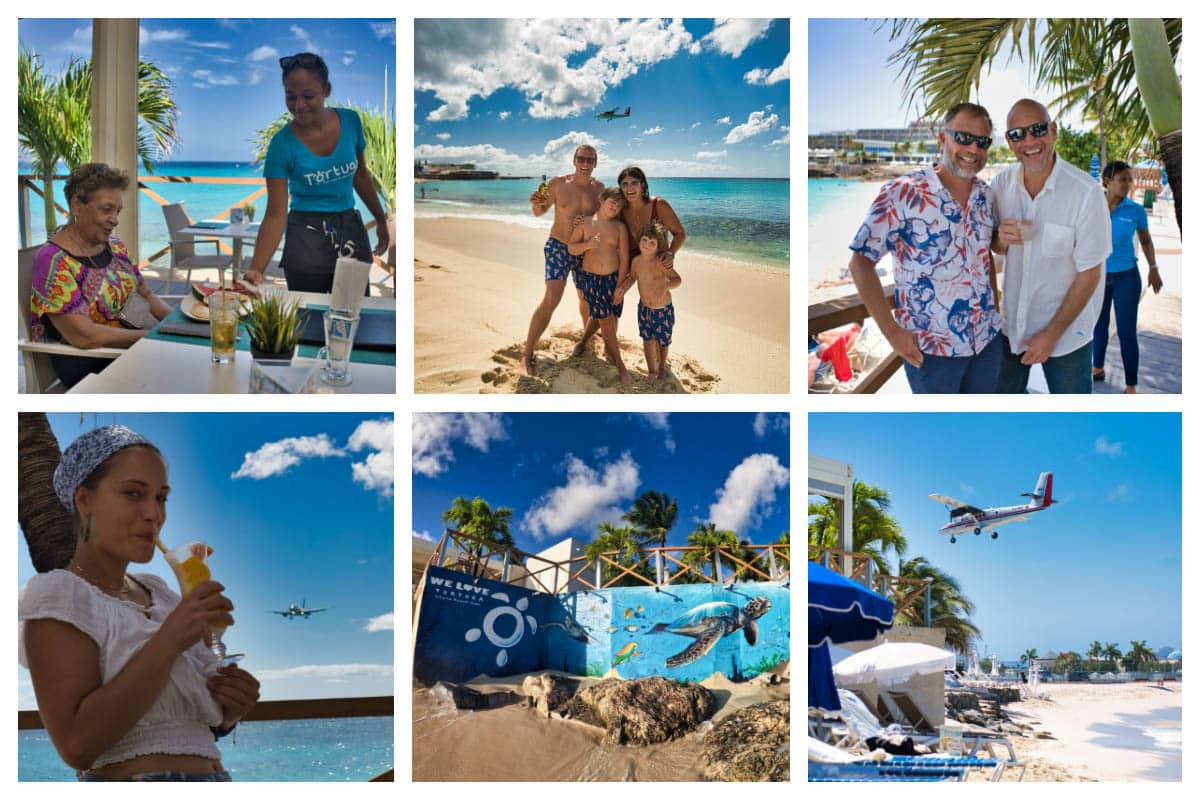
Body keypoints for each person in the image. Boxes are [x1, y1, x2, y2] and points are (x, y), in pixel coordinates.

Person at [19, 426, 260, 780]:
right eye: (134, 494)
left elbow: (182, 720)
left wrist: (229, 709)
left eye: (161, 498)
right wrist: (169, 641)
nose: (154, 514)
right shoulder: (58, 597)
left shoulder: (159, 592)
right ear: (83, 500)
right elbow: (77, 747)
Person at [847, 102, 1002, 393]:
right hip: (931, 351)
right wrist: (892, 333)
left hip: (987, 343)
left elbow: (984, 256)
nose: (973, 149)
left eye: (982, 142)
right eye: (963, 138)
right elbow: (860, 263)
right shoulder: (902, 192)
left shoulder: (985, 194)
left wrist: (995, 308)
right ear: (943, 138)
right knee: (940, 433)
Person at [991, 99, 1110, 394]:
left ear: (1053, 131)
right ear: (1009, 141)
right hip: (1011, 328)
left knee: (1074, 420)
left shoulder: (1086, 193)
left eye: (1037, 130)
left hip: (1068, 335)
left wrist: (1051, 333)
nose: (1029, 141)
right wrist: (1000, 239)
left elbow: (1090, 274)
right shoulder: (1001, 185)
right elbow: (993, 246)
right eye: (1018, 134)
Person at [242, 53, 390, 292]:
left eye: (308, 96)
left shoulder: (351, 122)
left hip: (349, 229)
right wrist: (257, 268)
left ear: (327, 90)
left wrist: (381, 219)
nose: (299, 106)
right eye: (291, 97)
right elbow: (275, 214)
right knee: (308, 318)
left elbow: (360, 176)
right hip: (305, 237)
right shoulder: (281, 145)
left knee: (352, 313)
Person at [30, 163, 172, 388]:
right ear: (77, 205)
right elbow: (84, 336)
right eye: (106, 209)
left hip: (133, 346)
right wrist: (153, 338)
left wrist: (176, 324)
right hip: (90, 364)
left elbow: (145, 293)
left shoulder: (115, 246)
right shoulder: (53, 260)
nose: (115, 219)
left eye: (117, 211)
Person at [574, 165, 685, 357]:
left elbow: (680, 234)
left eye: (634, 182)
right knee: (610, 301)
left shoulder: (659, 205)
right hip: (627, 262)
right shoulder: (621, 210)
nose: (629, 187)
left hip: (655, 263)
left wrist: (671, 254)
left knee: (657, 303)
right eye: (624, 184)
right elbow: (602, 216)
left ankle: (660, 352)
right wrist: (579, 220)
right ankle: (588, 342)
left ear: (643, 185)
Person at [519, 144, 604, 376]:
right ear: (574, 161)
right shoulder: (558, 183)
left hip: (584, 250)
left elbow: (604, 220)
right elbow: (540, 212)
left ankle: (586, 344)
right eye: (581, 159)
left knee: (586, 299)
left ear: (596, 163)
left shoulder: (600, 189)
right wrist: (536, 202)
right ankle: (527, 354)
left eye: (590, 160)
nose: (585, 164)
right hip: (558, 246)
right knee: (552, 298)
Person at [1092, 161, 1162, 393]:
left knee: (1126, 331)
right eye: (1122, 179)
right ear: (1107, 182)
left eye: (1129, 180)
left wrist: (1153, 268)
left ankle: (1131, 384)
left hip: (1127, 278)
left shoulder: (1135, 210)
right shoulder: (1093, 206)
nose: (1127, 184)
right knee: (1099, 325)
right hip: (1098, 277)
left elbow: (1146, 241)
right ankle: (1097, 368)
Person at [568, 187, 630, 384]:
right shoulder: (585, 222)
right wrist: (587, 245)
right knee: (606, 321)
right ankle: (621, 365)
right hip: (592, 278)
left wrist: (621, 285)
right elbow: (571, 247)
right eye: (613, 202)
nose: (616, 207)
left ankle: (583, 342)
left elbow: (625, 258)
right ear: (602, 199)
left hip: (613, 279)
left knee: (601, 314)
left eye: (620, 205)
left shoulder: (619, 227)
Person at [614, 221, 681, 381]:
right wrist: (622, 289)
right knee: (647, 340)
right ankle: (651, 370)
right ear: (639, 240)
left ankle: (662, 367)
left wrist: (665, 286)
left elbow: (677, 279)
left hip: (662, 309)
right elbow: (632, 278)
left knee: (663, 342)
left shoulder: (661, 262)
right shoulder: (636, 261)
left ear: (658, 246)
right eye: (644, 240)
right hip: (644, 309)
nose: (647, 244)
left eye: (652, 243)